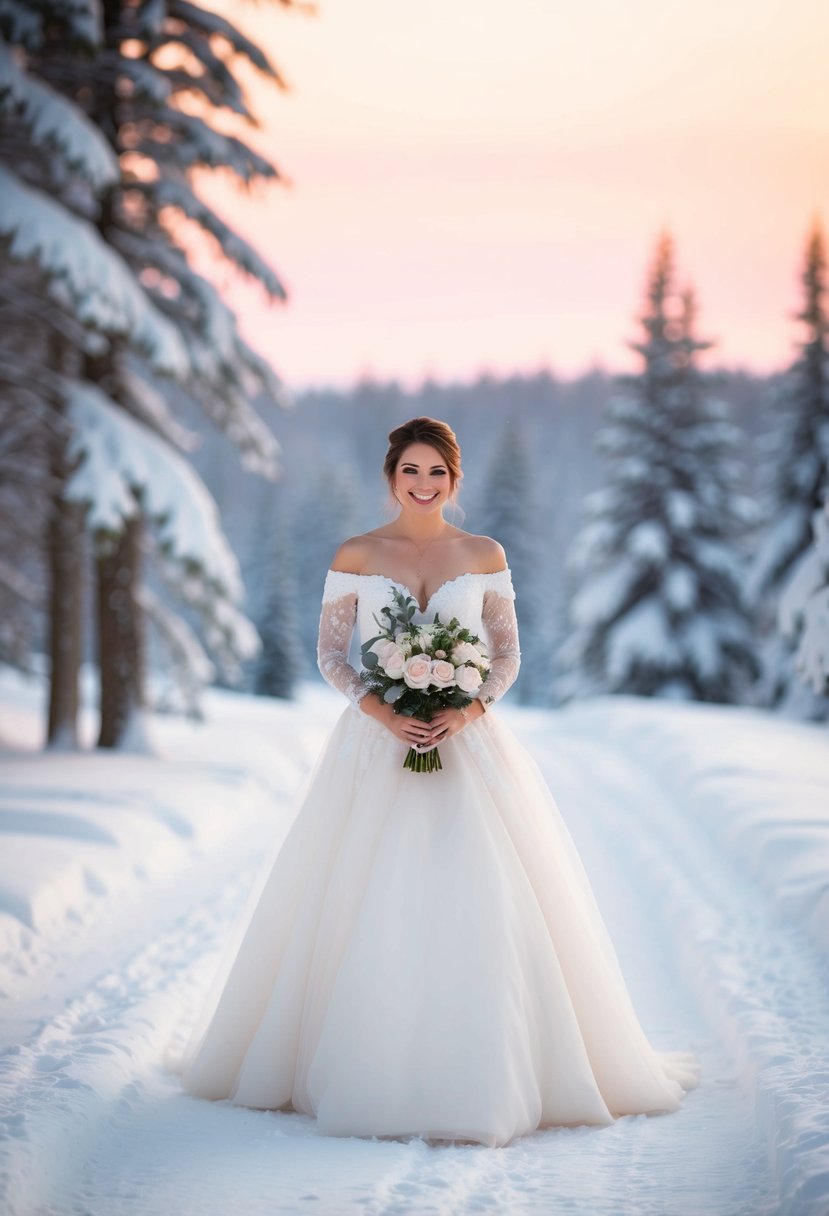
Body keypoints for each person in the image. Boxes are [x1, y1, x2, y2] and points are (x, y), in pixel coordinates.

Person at [175, 416, 700, 1147]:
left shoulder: (483, 554)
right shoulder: (357, 552)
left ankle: (490, 1069)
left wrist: (468, 706)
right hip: (373, 744)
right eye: (409, 472)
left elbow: (508, 653)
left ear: (455, 480)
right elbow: (329, 653)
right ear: (390, 476)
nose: (423, 486)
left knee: (478, 892)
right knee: (362, 896)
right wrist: (381, 712)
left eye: (436, 474)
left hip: (467, 743)